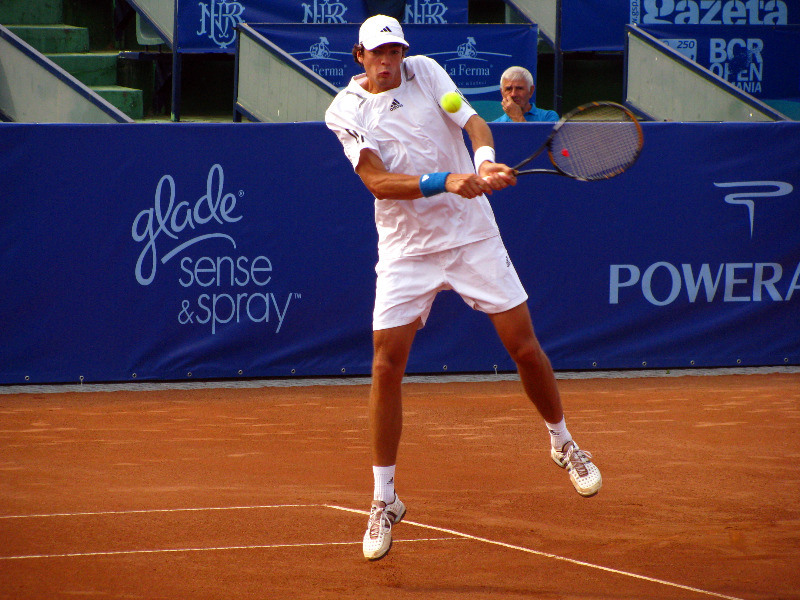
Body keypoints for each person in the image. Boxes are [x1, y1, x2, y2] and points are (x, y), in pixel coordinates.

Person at [325, 15, 601, 562]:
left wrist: (484, 162)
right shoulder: (346, 110)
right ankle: (383, 498)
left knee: (523, 346)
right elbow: (376, 181)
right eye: (378, 53)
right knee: (385, 365)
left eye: (395, 51)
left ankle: (564, 442)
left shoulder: (427, 73)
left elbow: (472, 122)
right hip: (406, 249)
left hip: (471, 235)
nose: (388, 62)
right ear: (360, 55)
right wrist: (446, 181)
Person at [492, 66, 559, 123]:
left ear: (531, 91)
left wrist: (517, 117)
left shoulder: (548, 117)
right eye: (509, 89)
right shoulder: (495, 125)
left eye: (519, 88)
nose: (513, 94)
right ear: (502, 92)